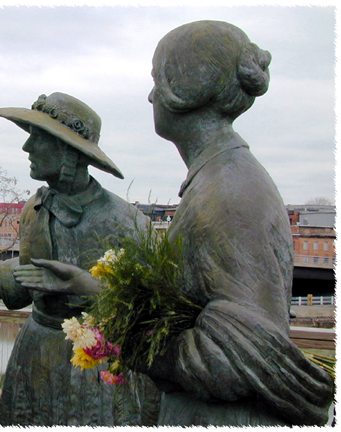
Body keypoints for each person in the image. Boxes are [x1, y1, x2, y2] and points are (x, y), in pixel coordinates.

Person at [137, 20, 334, 426]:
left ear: (186, 90)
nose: (151, 94)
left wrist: (135, 338)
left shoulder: (229, 193)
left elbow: (232, 357)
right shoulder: (216, 179)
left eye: (158, 80)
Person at [0, 92, 159, 426]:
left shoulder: (126, 221)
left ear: (66, 149)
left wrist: (87, 287)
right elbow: (22, 288)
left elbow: (153, 310)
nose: (26, 148)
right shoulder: (33, 209)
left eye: (37, 137)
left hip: (93, 367)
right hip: (35, 356)